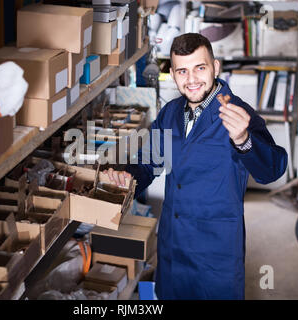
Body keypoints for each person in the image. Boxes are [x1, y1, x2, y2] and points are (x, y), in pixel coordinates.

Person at [104, 33, 288, 299]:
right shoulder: (171, 113)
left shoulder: (237, 113)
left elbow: (273, 169)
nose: (191, 80)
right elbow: (148, 163)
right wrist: (127, 177)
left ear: (215, 66)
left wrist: (244, 140)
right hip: (173, 243)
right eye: (182, 71)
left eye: (200, 68)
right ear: (173, 74)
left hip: (216, 250)